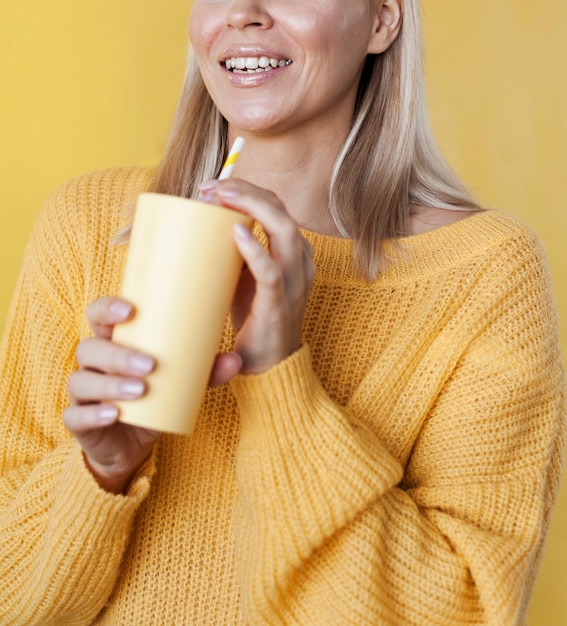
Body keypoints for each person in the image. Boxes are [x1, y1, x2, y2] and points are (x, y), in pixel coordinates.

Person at [0, 0, 565, 623]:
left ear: (382, 19)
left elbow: (462, 612)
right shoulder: (89, 227)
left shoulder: (486, 273)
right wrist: (102, 471)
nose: (243, 13)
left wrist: (281, 380)